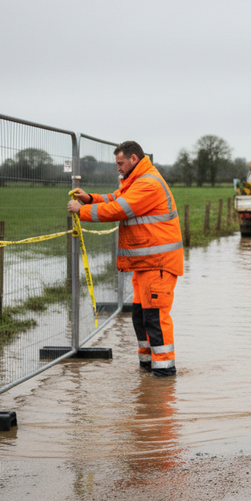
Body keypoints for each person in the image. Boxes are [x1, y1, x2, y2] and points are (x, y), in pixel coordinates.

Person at [67, 141, 183, 377]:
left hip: (157, 263)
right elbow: (114, 198)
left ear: (133, 159)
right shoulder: (136, 181)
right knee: (141, 317)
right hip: (146, 264)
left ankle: (163, 377)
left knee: (156, 318)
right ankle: (148, 370)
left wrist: (82, 211)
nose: (118, 168)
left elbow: (118, 209)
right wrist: (90, 198)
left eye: (120, 163)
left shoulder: (147, 184)